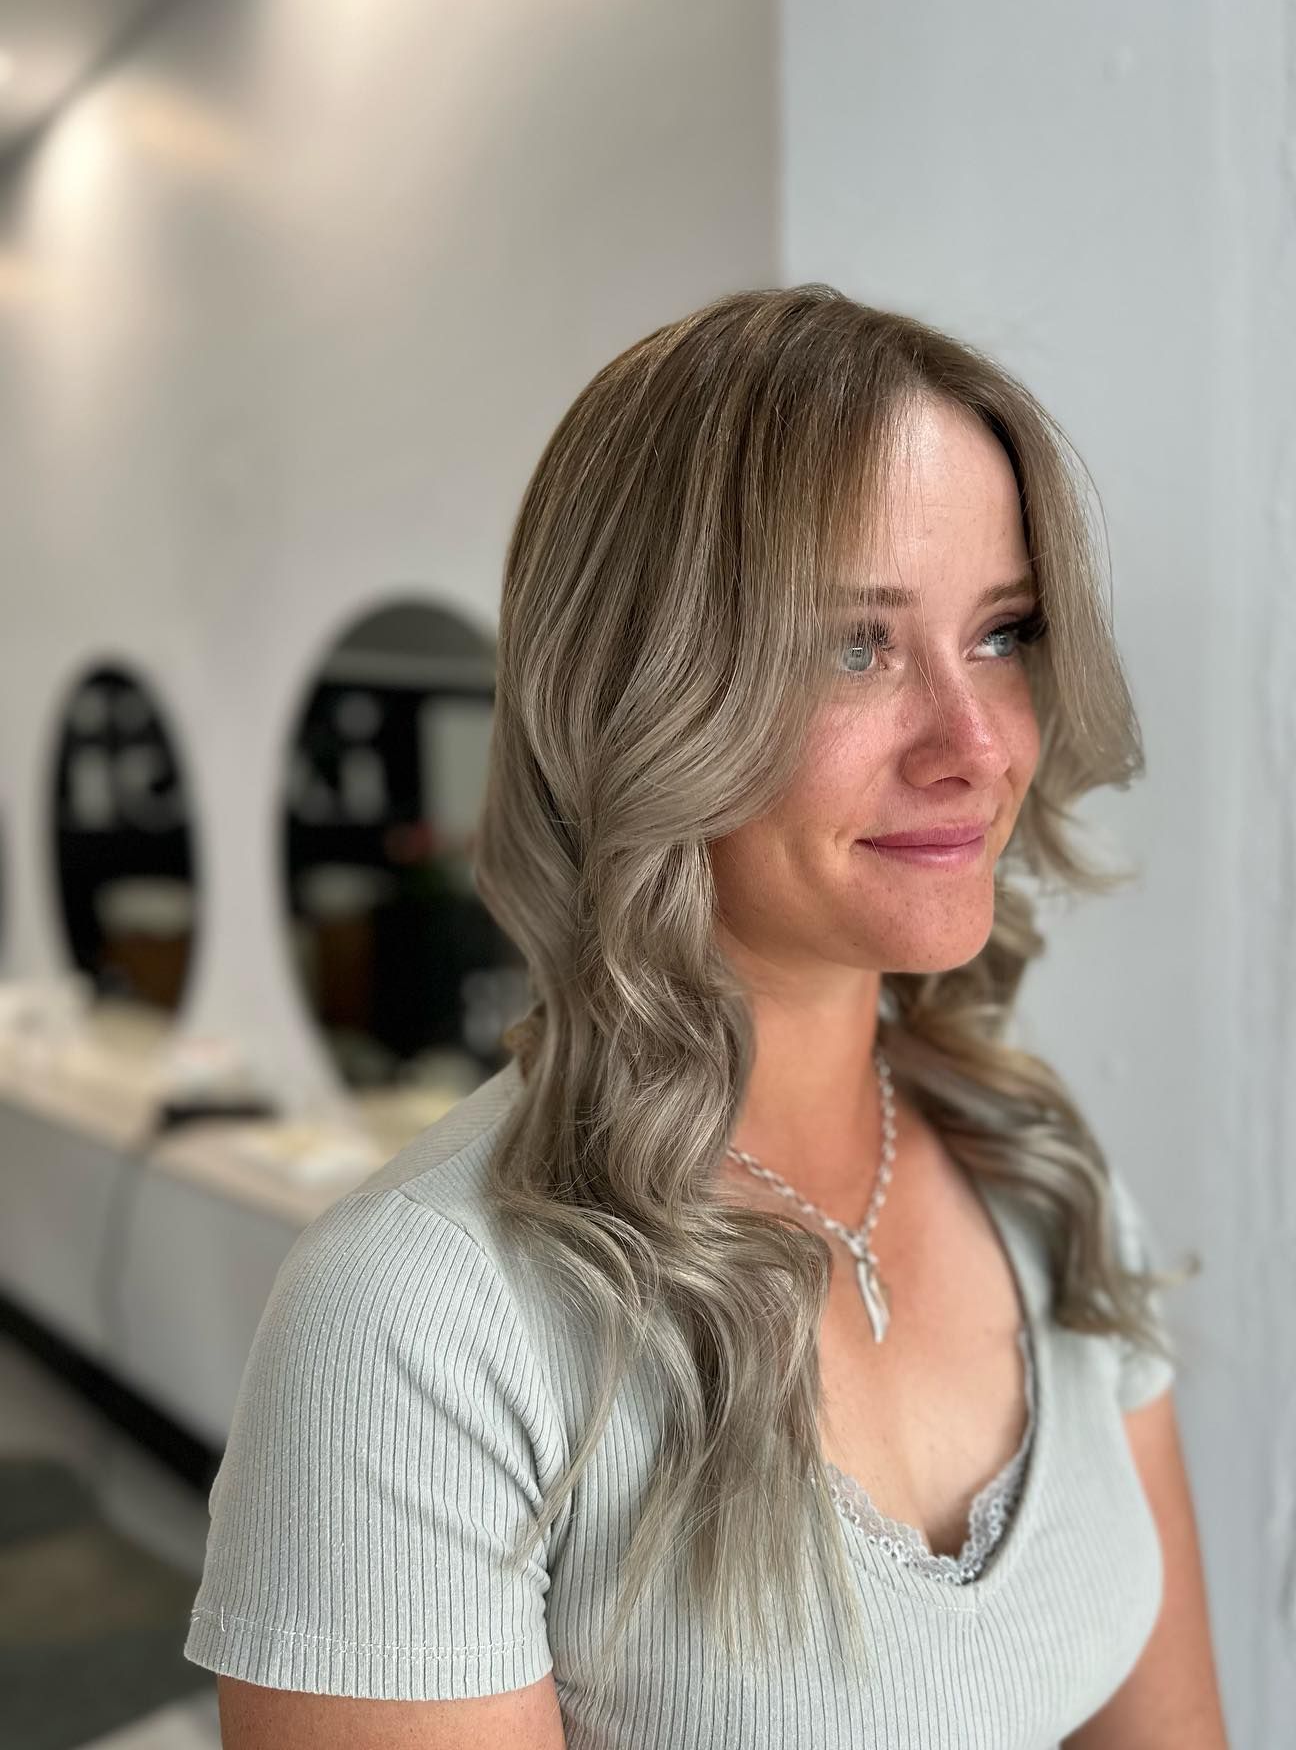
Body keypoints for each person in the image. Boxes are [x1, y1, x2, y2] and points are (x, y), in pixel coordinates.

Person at [184, 284, 1230, 1747]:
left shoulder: (1041, 1174)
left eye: (1002, 633)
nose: (977, 741)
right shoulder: (423, 1319)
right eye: (853, 647)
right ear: (638, 695)